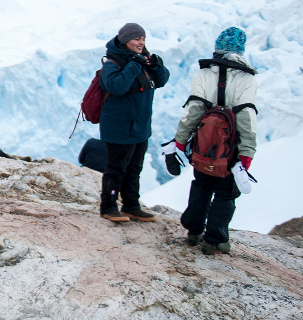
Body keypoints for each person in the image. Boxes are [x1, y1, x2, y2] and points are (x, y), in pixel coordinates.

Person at [172, 27, 258, 254]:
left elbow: (193, 111)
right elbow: (246, 117)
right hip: (231, 148)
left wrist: (180, 141)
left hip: (203, 144)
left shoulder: (202, 74)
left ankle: (193, 231)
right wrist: (247, 152)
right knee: (225, 192)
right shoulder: (246, 79)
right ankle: (215, 240)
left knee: (201, 184)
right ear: (240, 50)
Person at [98, 22, 171, 223]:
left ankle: (131, 205)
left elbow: (162, 80)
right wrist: (134, 64)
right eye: (137, 38)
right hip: (119, 126)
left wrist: (156, 65)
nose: (141, 42)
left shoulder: (141, 61)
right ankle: (109, 206)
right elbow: (116, 86)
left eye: (143, 39)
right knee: (116, 168)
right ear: (125, 40)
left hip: (140, 126)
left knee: (134, 168)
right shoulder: (112, 64)